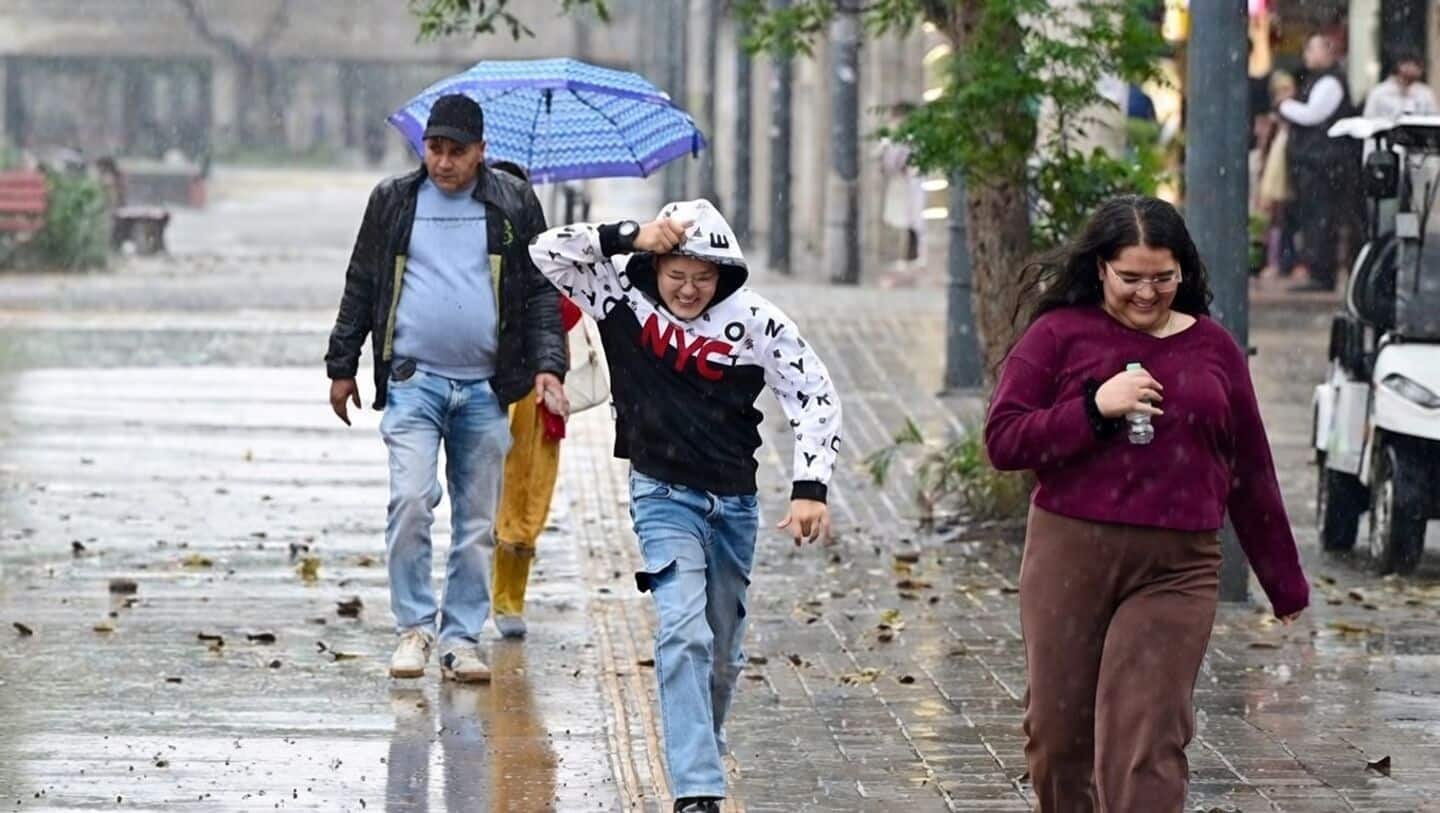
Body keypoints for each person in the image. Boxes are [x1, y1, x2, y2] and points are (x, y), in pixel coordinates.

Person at [984, 195, 1309, 811]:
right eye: (1130, 277)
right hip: (1069, 555)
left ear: (1183, 269)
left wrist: (1283, 580)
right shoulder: (1058, 335)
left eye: (1162, 277)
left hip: (1177, 567)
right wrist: (1093, 408)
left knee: (1146, 739)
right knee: (1058, 737)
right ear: (1100, 268)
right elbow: (1004, 440)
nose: (1146, 293)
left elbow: (1250, 465)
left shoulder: (1214, 348)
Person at [529, 199, 842, 813]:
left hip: (735, 503)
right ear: (656, 265)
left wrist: (811, 487)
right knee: (683, 632)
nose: (690, 289)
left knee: (722, 653)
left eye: (703, 277)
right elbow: (546, 251)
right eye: (677, 274)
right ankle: (697, 789)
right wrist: (630, 236)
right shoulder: (618, 296)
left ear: (724, 275)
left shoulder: (756, 320)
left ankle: (704, 742)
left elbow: (813, 392)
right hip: (661, 493)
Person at [324, 93, 568, 683]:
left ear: (481, 151)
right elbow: (363, 281)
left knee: (477, 524)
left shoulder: (513, 203)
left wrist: (548, 366)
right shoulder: (394, 201)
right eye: (434, 148)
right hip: (413, 381)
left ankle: (460, 637)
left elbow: (540, 293)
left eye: (457, 151)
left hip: (485, 389)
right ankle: (414, 628)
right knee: (410, 502)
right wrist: (341, 364)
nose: (443, 162)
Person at [1278, 33, 1362, 292]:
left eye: (1313, 49)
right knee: (1314, 217)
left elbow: (1313, 115)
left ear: (1327, 53)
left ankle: (1321, 272)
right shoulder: (1317, 80)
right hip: (1315, 163)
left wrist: (1285, 106)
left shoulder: (1330, 82)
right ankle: (1317, 268)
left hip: (1324, 165)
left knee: (1321, 217)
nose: (1308, 55)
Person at [1363, 51, 1438, 120]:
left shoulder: (1426, 93)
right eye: (1415, 65)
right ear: (1400, 64)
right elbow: (1368, 120)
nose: (1417, 70)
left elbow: (1433, 120)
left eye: (1421, 67)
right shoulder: (1379, 92)